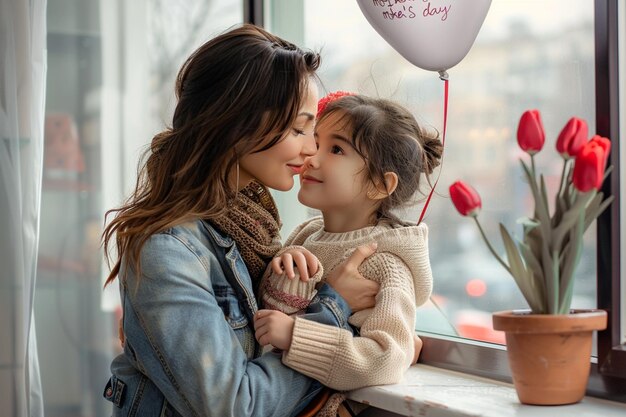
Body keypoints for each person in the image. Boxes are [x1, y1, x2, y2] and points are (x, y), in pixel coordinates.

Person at [100, 25, 380, 417]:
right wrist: (334, 312)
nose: (311, 147)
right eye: (299, 127)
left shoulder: (248, 232)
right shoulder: (169, 252)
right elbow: (236, 406)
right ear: (238, 121)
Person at [254, 93, 442, 414]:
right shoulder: (305, 235)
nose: (311, 156)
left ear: (380, 185)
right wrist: (277, 273)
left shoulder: (385, 264)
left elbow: (386, 359)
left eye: (336, 149)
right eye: (316, 141)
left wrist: (295, 336)